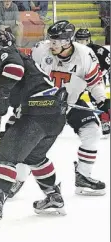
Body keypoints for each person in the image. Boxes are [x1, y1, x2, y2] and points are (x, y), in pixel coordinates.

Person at [0, 31, 68, 229]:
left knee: (6, 156)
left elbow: (14, 69)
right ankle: (54, 197)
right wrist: (5, 136)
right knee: (34, 157)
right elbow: (19, 114)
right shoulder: (28, 67)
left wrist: (3, 92)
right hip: (54, 117)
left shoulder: (7, 53)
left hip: (38, 113)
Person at [25, 20, 108, 196]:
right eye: (51, 40)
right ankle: (16, 180)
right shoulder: (41, 50)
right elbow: (27, 77)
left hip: (71, 102)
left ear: (67, 42)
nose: (51, 44)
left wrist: (103, 101)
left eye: (55, 41)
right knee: (30, 142)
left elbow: (95, 82)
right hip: (43, 105)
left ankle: (83, 176)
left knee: (92, 131)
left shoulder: (85, 55)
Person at [74, 28, 110, 136]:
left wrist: (104, 74)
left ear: (89, 39)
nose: (82, 43)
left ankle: (105, 121)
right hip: (78, 80)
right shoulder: (71, 51)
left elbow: (108, 64)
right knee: (70, 99)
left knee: (98, 100)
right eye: (79, 40)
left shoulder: (99, 50)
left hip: (95, 79)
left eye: (84, 40)